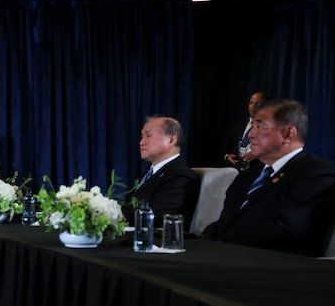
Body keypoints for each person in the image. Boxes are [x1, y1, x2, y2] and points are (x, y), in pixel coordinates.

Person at [204, 98, 335, 256]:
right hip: (229, 257)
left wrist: (223, 240)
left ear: (288, 133)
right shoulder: (248, 175)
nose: (251, 134)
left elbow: (287, 229)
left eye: (260, 126)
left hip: (278, 268)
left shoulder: (316, 172)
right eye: (252, 126)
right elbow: (225, 222)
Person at [124, 116, 200, 225]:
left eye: (148, 136)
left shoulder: (181, 175)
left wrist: (116, 215)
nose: (141, 142)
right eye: (142, 136)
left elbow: (159, 215)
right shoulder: (152, 174)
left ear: (171, 139)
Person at [224, 91, 266, 169]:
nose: (253, 106)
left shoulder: (270, 128)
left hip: (256, 170)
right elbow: (224, 146)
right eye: (251, 103)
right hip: (233, 169)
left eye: (258, 103)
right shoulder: (238, 125)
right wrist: (227, 156)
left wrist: (258, 154)